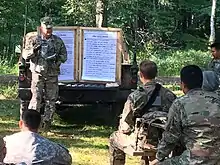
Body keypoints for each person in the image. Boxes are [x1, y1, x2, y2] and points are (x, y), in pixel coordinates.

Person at [109, 60, 177, 165]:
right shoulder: (169, 95)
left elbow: (125, 126)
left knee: (115, 137)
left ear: (140, 74)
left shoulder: (135, 96)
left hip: (142, 141)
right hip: (165, 140)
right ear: (156, 74)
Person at [151, 65, 220, 165]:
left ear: (182, 84)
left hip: (194, 160)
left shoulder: (179, 104)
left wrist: (159, 157)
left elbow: (170, 137)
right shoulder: (217, 100)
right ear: (201, 82)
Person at [22, 16, 67, 130]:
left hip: (52, 75)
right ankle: (32, 124)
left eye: (50, 29)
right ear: (41, 28)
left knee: (51, 100)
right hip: (38, 74)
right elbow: (25, 55)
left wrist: (57, 59)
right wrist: (33, 51)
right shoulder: (34, 40)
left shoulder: (57, 41)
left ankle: (46, 123)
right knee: (36, 98)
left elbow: (64, 56)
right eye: (46, 29)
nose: (48, 31)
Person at [3, 109, 72, 165]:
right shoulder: (53, 148)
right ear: (39, 125)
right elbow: (67, 160)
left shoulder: (5, 143)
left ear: (20, 123)